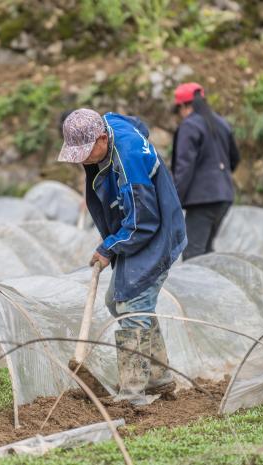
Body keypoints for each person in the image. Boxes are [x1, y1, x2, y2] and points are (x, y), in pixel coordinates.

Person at [57, 108, 188, 405]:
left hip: (156, 233)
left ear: (102, 138)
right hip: (136, 232)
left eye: (84, 152)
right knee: (114, 300)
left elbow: (144, 221)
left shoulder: (128, 162)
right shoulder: (110, 126)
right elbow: (130, 119)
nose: (80, 160)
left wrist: (108, 247)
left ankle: (133, 392)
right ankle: (159, 378)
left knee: (132, 307)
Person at [170, 83, 240, 260]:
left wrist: (173, 200)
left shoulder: (190, 126)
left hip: (202, 200)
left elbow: (183, 167)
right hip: (224, 196)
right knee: (206, 252)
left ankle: (196, 288)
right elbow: (235, 158)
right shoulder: (222, 124)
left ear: (184, 106)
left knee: (193, 255)